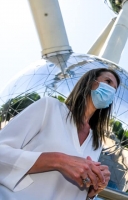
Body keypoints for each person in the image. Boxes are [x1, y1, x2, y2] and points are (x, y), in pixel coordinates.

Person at [0, 68, 120, 200]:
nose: (111, 90)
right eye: (108, 81)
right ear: (90, 82)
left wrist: (92, 190)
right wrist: (59, 160)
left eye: (114, 89)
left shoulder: (96, 142)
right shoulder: (49, 107)